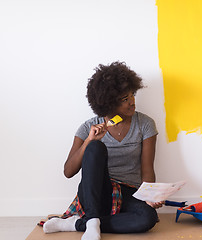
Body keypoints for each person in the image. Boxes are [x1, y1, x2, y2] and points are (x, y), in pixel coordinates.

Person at [43, 61, 163, 240]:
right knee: (95, 147)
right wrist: (89, 141)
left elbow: (147, 170)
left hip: (128, 192)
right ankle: (92, 220)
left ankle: (77, 223)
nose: (132, 102)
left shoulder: (145, 124)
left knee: (148, 218)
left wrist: (150, 196)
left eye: (132, 95)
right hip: (96, 193)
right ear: (108, 103)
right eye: (124, 99)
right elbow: (68, 171)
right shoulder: (88, 128)